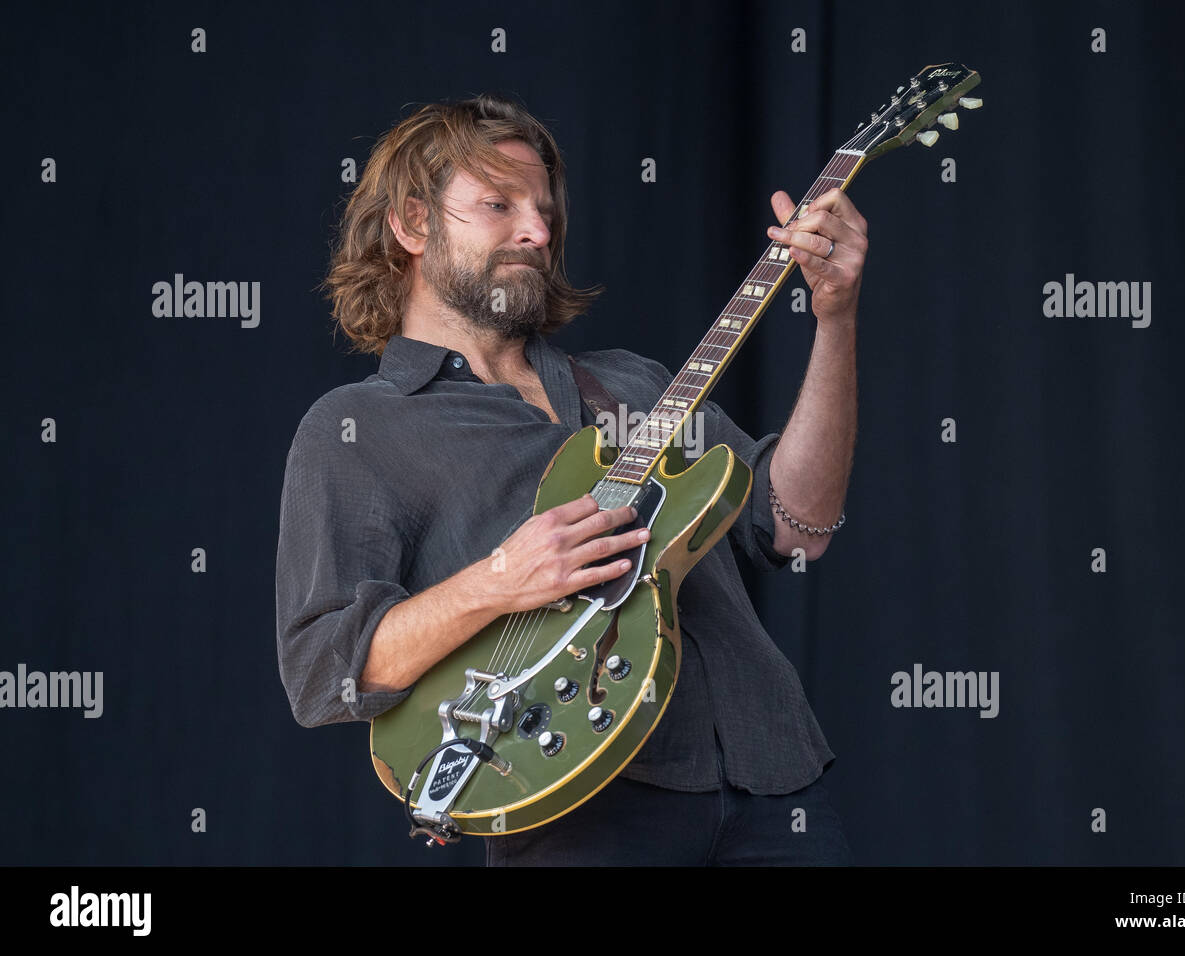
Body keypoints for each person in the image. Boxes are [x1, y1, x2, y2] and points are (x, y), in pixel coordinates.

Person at [275, 93, 864, 866]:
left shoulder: (638, 385)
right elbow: (324, 673)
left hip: (773, 781)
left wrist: (836, 317)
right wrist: (500, 579)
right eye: (498, 204)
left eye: (545, 210)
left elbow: (797, 524)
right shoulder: (359, 427)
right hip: (579, 803)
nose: (538, 230)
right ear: (413, 224)